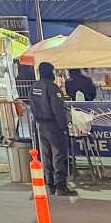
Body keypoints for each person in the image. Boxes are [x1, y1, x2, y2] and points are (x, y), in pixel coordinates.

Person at [28, 62, 76, 196]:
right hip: (54, 126)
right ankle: (61, 186)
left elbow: (32, 106)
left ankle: (49, 184)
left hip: (41, 126)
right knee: (59, 155)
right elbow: (58, 110)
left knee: (46, 155)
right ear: (51, 72)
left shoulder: (34, 87)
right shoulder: (52, 88)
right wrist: (64, 126)